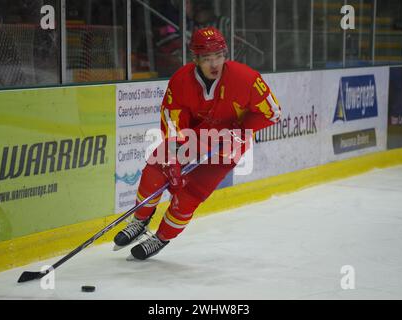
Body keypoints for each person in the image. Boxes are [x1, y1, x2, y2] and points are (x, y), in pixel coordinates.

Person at [114, 26, 281, 260]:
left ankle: (161, 238)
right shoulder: (181, 81)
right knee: (156, 167)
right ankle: (140, 220)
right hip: (194, 136)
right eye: (207, 59)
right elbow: (172, 123)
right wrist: (173, 159)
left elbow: (272, 113)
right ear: (196, 59)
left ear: (226, 55)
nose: (214, 64)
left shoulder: (246, 79)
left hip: (229, 143)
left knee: (191, 194)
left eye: (219, 57)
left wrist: (241, 130)